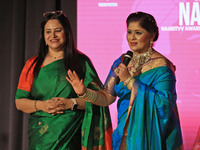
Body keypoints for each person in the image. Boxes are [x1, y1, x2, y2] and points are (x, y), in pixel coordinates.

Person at [66, 11, 183, 150]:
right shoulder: (121, 61)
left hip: (150, 136)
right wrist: (84, 92)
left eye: (138, 32)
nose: (132, 37)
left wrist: (129, 81)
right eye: (129, 32)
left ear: (152, 35)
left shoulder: (163, 67)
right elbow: (107, 97)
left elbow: (163, 104)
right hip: (124, 132)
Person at [15, 10, 112, 150]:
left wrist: (71, 103)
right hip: (41, 136)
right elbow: (19, 102)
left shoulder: (81, 62)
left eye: (58, 30)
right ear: (43, 36)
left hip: (71, 136)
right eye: (48, 31)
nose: (52, 35)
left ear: (66, 33)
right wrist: (42, 105)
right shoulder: (32, 64)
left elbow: (98, 101)